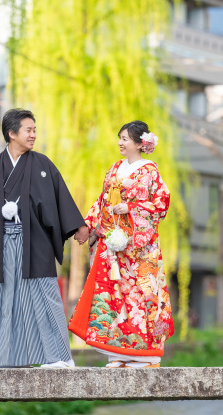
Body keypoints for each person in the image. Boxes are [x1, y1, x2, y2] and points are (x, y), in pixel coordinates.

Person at [0, 108, 89, 368]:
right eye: (28, 130)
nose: (33, 135)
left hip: (37, 244)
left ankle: (59, 357)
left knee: (44, 295)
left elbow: (60, 196)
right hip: (5, 244)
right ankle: (6, 358)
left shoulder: (43, 165)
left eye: (34, 130)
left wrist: (77, 226)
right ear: (12, 133)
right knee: (6, 297)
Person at [68, 120, 174, 368]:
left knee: (141, 296)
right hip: (114, 245)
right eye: (120, 138)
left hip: (139, 249)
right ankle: (117, 353)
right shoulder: (115, 168)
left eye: (125, 139)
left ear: (140, 143)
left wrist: (132, 207)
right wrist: (88, 226)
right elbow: (102, 201)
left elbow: (160, 205)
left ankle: (145, 356)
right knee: (114, 297)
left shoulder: (150, 171)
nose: (120, 142)